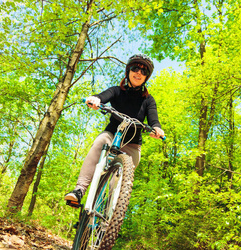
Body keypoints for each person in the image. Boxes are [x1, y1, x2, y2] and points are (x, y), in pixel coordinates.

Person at [64, 53, 165, 208]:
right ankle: (79, 190)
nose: (139, 73)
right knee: (101, 141)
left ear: (146, 77)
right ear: (128, 71)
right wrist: (96, 99)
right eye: (135, 68)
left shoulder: (148, 100)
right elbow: (103, 96)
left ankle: (109, 216)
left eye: (143, 71)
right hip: (112, 135)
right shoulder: (117, 90)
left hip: (132, 145)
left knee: (119, 183)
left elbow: (153, 120)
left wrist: (157, 129)